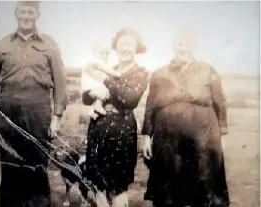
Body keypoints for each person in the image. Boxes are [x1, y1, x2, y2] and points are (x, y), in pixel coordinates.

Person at [141, 27, 230, 207]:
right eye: (179, 44)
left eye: (187, 45)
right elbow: (150, 106)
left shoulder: (207, 70)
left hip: (203, 139)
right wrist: (145, 137)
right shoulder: (159, 74)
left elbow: (220, 102)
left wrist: (223, 134)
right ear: (173, 46)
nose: (183, 48)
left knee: (203, 187)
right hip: (168, 141)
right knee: (168, 192)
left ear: (194, 46)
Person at [0, 1, 68, 206]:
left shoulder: (50, 45)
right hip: (7, 113)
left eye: (31, 12)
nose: (26, 16)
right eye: (23, 12)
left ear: (38, 15)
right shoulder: (2, 45)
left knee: (36, 165)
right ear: (16, 13)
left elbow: (61, 82)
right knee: (10, 164)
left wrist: (56, 118)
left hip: (38, 111)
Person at [82, 28, 149, 207]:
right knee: (97, 184)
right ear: (115, 47)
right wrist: (92, 91)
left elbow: (129, 99)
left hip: (121, 132)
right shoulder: (109, 68)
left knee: (118, 187)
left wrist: (104, 79)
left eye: (130, 45)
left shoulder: (140, 72)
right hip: (98, 129)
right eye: (122, 44)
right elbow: (85, 98)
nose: (125, 49)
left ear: (137, 48)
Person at [81, 40, 121, 120]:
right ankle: (98, 106)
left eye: (107, 53)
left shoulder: (96, 61)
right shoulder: (95, 61)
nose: (104, 55)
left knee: (102, 90)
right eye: (101, 53)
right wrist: (117, 74)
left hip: (90, 85)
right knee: (104, 89)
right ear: (95, 52)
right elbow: (105, 69)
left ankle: (92, 110)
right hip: (91, 84)